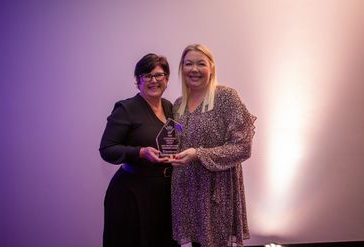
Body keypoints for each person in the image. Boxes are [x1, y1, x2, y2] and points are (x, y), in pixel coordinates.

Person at [170, 44, 256, 247]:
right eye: (188, 63)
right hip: (185, 190)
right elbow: (175, 144)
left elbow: (243, 146)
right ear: (182, 68)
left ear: (211, 68)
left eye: (201, 64)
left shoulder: (226, 97)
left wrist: (198, 154)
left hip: (216, 191)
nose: (194, 69)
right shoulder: (177, 104)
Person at [99, 53, 178, 247]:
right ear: (138, 80)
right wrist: (140, 152)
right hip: (132, 194)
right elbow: (107, 149)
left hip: (165, 193)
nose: (154, 80)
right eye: (147, 75)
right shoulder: (126, 109)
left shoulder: (170, 108)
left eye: (159, 75)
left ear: (167, 79)